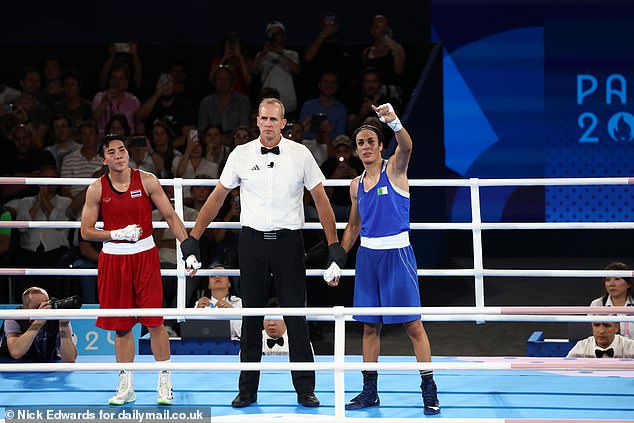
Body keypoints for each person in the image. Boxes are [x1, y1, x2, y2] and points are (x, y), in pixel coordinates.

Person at [181, 97, 347, 408]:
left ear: (284, 123)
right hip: (252, 243)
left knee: (296, 317)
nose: (269, 124)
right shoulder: (240, 155)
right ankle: (247, 390)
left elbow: (322, 200)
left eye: (274, 119)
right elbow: (217, 198)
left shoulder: (300, 155)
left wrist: (334, 245)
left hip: (288, 242)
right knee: (251, 316)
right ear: (257, 121)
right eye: (264, 118)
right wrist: (193, 238)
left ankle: (305, 389)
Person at [334, 104, 441, 415]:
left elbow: (407, 145)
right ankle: (370, 392)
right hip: (368, 257)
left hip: (397, 255)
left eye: (370, 141)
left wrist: (393, 122)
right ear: (356, 151)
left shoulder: (394, 169)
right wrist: (338, 258)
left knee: (413, 325)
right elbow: (354, 226)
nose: (366, 147)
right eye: (361, 143)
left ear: (380, 145)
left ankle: (429, 390)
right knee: (369, 327)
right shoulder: (355, 186)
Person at [80, 133, 191, 406]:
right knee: (121, 327)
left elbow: (170, 215)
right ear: (103, 158)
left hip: (144, 257)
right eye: (112, 152)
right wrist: (116, 234)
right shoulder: (96, 189)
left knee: (155, 322)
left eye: (122, 150)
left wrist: (187, 247)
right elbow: (86, 231)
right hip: (114, 259)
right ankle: (125, 384)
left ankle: (165, 382)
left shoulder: (148, 180)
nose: (119, 155)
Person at [0, 287, 77, 362]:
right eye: (37, 306)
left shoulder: (56, 317)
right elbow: (16, 353)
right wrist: (38, 322)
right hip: (12, 366)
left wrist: (64, 325)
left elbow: (70, 359)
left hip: (47, 367)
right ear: (25, 309)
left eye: (46, 304)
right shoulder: (14, 318)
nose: (43, 308)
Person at [194, 263, 242, 340]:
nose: (217, 277)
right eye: (213, 276)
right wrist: (197, 310)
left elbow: (242, 333)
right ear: (209, 285)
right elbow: (192, 333)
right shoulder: (200, 304)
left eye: (222, 275)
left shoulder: (238, 303)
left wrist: (232, 311)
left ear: (229, 283)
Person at [590, 261, 634, 339]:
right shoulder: (597, 304)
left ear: (629, 284)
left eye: (617, 279)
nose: (611, 284)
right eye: (608, 280)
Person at [566, 321, 634, 358]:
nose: (601, 331)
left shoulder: (631, 346)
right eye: (596, 325)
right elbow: (565, 369)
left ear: (616, 328)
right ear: (592, 326)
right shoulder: (582, 346)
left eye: (607, 325)